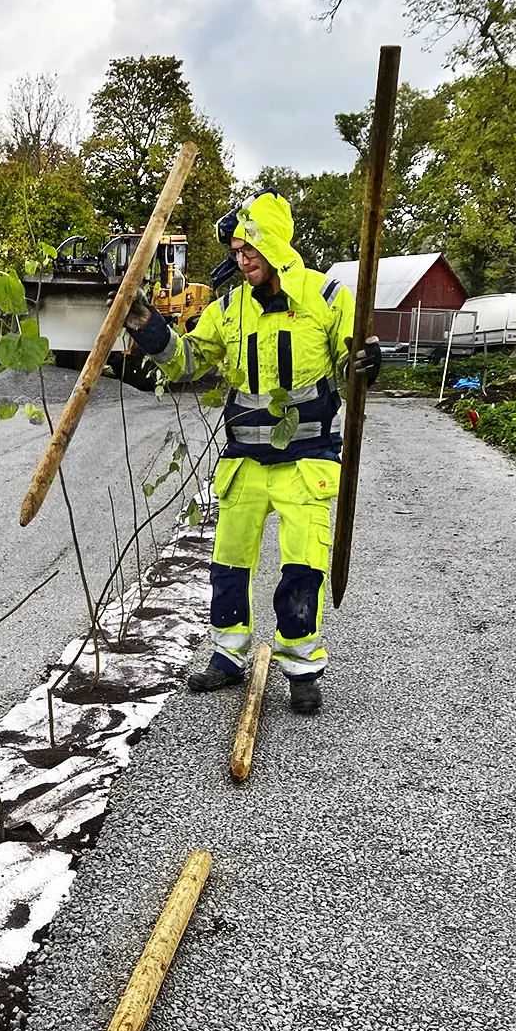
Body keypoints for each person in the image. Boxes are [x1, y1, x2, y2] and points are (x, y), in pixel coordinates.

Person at [126, 190, 380, 714]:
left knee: (303, 566)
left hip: (308, 458)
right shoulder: (229, 308)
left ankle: (301, 665)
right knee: (228, 564)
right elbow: (188, 362)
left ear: (275, 247)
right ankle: (227, 656)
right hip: (244, 460)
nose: (241, 260)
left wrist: (367, 360)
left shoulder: (328, 297)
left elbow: (354, 356)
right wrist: (145, 326)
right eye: (237, 251)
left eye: (249, 249)